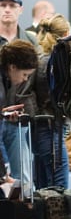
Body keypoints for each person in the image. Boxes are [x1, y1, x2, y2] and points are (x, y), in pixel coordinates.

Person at [31, 15, 71, 188]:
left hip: (45, 124)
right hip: (51, 124)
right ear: (65, 34)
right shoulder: (54, 62)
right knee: (58, 184)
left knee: (45, 181)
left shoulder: (41, 60)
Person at [0, 40, 39, 182]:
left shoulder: (5, 81)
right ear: (12, 67)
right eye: (24, 74)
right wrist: (3, 176)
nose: (25, 79)